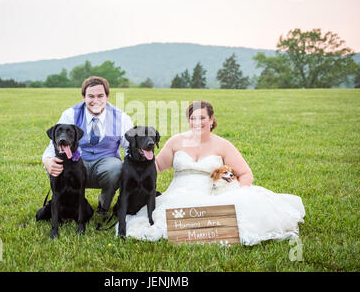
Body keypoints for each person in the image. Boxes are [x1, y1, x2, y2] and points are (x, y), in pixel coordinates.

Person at [116, 100, 305, 245]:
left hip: (211, 194)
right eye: (193, 118)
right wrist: (133, 164)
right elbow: (155, 166)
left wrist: (235, 191)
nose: (197, 122)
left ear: (212, 120)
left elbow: (246, 174)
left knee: (234, 215)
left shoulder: (223, 144)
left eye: (202, 118)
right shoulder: (176, 141)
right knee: (160, 222)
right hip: (179, 194)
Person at [42, 76, 134, 220]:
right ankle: (64, 206)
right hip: (76, 166)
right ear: (84, 96)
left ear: (107, 96)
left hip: (105, 167)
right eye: (90, 96)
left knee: (116, 167)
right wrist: (47, 161)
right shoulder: (70, 114)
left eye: (100, 96)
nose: (95, 100)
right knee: (56, 164)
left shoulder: (121, 118)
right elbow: (52, 145)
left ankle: (104, 205)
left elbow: (130, 148)